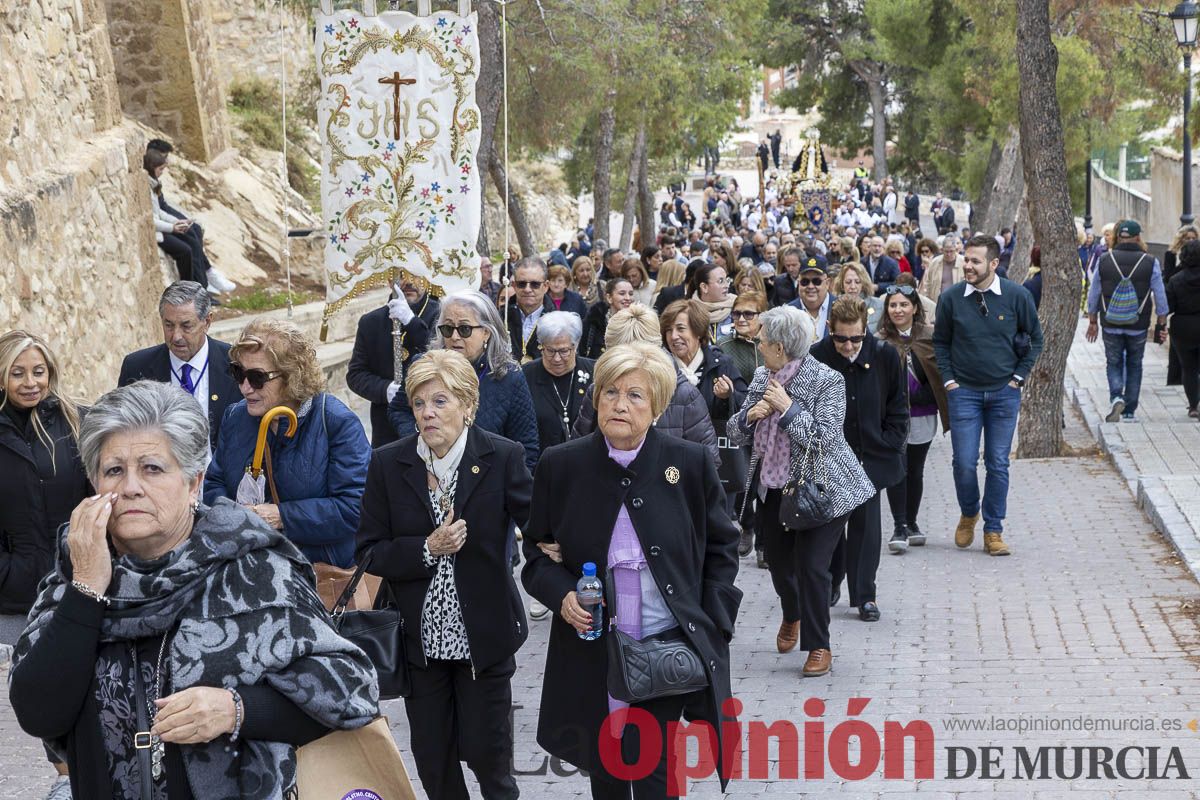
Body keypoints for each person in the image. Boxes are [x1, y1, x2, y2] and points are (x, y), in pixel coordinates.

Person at [10, 380, 379, 800]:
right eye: (114, 470)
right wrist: (87, 589)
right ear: (95, 484)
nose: (130, 486)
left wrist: (236, 710)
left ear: (192, 483)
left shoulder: (253, 571)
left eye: (152, 468)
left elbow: (353, 690)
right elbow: (38, 713)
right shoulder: (75, 571)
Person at [522, 342, 742, 798]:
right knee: (606, 770)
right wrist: (562, 595)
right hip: (591, 652)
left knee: (654, 770)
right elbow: (536, 558)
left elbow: (723, 545)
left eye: (635, 395)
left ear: (657, 406)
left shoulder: (688, 462)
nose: (620, 404)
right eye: (610, 393)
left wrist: (714, 621)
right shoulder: (561, 466)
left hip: (664, 647)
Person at [357, 349, 531, 800]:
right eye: (419, 403)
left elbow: (539, 525)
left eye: (440, 401)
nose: (428, 413)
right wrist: (427, 549)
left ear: (468, 406)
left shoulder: (502, 456)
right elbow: (370, 554)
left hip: (484, 639)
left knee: (490, 761)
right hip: (421, 647)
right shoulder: (388, 463)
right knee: (435, 765)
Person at [728, 307, 874, 676]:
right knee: (778, 565)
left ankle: (818, 646)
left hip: (820, 489)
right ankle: (791, 614)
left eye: (762, 340)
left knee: (811, 567)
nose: (757, 344)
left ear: (779, 346)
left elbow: (824, 440)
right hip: (773, 489)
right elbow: (734, 433)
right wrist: (751, 415)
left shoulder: (827, 380)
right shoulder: (762, 376)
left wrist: (789, 409)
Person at [205, 319, 370, 568]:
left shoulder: (336, 422)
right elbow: (214, 483)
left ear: (292, 376)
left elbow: (354, 509)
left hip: (315, 574)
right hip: (250, 568)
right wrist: (233, 515)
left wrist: (280, 516)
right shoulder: (235, 416)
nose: (244, 387)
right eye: (238, 373)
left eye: (257, 377)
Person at [933, 235, 1044, 556]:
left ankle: (993, 530)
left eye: (975, 261)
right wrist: (950, 381)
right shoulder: (951, 298)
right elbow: (940, 343)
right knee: (964, 463)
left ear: (994, 264)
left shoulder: (1017, 296)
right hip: (963, 393)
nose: (967, 265)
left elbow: (1036, 340)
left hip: (1003, 394)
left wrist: (1018, 378)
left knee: (997, 463)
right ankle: (970, 511)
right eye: (966, 259)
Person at [811, 297, 907, 621]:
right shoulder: (817, 356)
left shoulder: (885, 355)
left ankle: (865, 595)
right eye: (841, 338)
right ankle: (831, 582)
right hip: (830, 456)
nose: (849, 345)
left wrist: (891, 443)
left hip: (871, 456)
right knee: (832, 527)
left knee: (866, 527)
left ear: (865, 330)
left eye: (856, 338)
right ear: (829, 331)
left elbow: (898, 405)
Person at [389, 291, 539, 473]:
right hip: (428, 471)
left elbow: (526, 446)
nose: (454, 337)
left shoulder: (508, 376)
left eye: (464, 329)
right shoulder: (424, 365)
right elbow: (399, 410)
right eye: (447, 328)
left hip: (487, 480)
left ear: (486, 332)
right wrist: (423, 436)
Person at [0, 332, 89, 627]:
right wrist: (8, 573)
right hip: (13, 600)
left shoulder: (77, 421)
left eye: (38, 372)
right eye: (17, 373)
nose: (30, 382)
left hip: (78, 584)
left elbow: (100, 498)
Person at [573, 305, 720, 464]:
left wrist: (671, 482)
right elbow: (576, 452)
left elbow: (707, 463)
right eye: (618, 358)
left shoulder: (685, 395)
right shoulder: (599, 388)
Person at [118, 281, 240, 447]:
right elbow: (124, 430)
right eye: (169, 325)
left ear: (207, 322)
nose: (176, 336)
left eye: (186, 326)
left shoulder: (235, 363)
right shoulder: (137, 367)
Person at [877, 285, 949, 550]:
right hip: (892, 418)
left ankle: (912, 521)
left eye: (904, 305)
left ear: (915, 308)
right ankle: (898, 527)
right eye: (893, 305)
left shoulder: (929, 337)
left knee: (915, 470)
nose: (898, 310)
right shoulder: (879, 340)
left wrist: (927, 394)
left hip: (922, 414)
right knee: (898, 468)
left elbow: (939, 371)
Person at [1086, 219, 1169, 423]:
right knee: (1135, 364)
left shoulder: (1105, 259)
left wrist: (1093, 320)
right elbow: (1160, 295)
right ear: (1138, 237)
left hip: (1110, 323)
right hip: (1137, 324)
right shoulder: (1150, 261)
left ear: (1117, 237)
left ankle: (1116, 396)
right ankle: (1130, 409)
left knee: (1113, 362)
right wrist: (1161, 323)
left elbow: (1094, 292)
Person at [346, 278, 440, 447]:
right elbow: (355, 374)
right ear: (390, 279)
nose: (409, 281)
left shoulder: (441, 316)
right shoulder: (371, 322)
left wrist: (411, 322)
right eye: (402, 274)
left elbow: (441, 357)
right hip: (386, 429)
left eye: (415, 274)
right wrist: (385, 389)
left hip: (432, 421)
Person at [717, 291, 768, 566]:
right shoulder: (724, 346)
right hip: (740, 422)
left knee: (765, 483)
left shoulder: (771, 343)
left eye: (749, 314)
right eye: (737, 314)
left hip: (771, 422)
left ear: (762, 317)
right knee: (742, 481)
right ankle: (747, 523)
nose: (741, 319)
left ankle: (764, 544)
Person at [523, 311, 595, 455]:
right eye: (550, 350)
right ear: (541, 346)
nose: (556, 358)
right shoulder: (524, 376)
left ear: (575, 345)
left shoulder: (595, 372)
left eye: (564, 351)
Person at [143, 147, 211, 291]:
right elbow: (152, 219)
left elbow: (159, 212)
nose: (162, 173)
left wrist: (176, 221)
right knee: (185, 250)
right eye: (160, 169)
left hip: (163, 227)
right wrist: (172, 227)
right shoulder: (147, 187)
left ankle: (201, 286)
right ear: (152, 167)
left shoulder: (152, 184)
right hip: (158, 232)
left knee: (193, 233)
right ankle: (189, 291)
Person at [1167, 239, 1200, 418]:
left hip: (1183, 328)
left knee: (1189, 368)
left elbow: (1169, 307)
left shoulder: (1175, 280)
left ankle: (1193, 405)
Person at [503, 257, 557, 364]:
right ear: (514, 285)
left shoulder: (558, 321)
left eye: (535, 284)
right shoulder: (501, 318)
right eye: (521, 284)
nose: (527, 289)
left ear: (546, 286)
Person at [579, 277, 636, 360]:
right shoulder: (592, 323)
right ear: (609, 298)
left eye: (631, 294)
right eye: (622, 293)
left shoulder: (640, 323)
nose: (628, 298)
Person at [685, 263, 736, 341]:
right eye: (721, 281)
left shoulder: (738, 308)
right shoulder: (688, 313)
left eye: (727, 280)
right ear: (704, 287)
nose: (726, 285)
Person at [788, 259, 835, 342]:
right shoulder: (788, 312)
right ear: (798, 283)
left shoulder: (841, 308)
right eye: (805, 282)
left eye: (816, 281)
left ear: (827, 283)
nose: (810, 286)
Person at [831, 262, 885, 333]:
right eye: (848, 282)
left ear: (863, 284)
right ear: (842, 285)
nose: (853, 286)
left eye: (857, 282)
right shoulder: (834, 306)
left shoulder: (879, 305)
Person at [919, 233, 964, 305]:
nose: (949, 254)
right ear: (942, 250)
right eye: (946, 251)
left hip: (958, 303)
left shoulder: (963, 262)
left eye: (951, 251)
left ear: (956, 250)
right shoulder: (935, 262)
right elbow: (928, 283)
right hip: (938, 302)